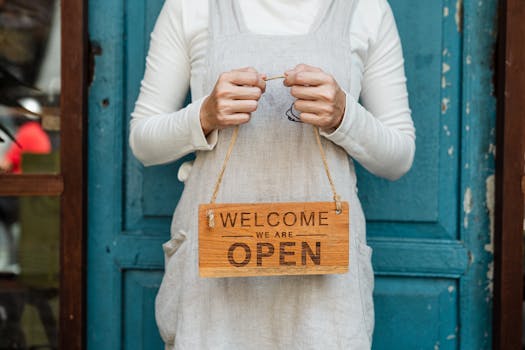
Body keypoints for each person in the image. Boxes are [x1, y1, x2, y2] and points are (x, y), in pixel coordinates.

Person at [129, 0, 415, 348]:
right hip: (215, 271)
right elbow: (143, 143)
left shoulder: (365, 9)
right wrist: (204, 115)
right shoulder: (191, 6)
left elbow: (398, 157)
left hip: (324, 277)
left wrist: (344, 117)